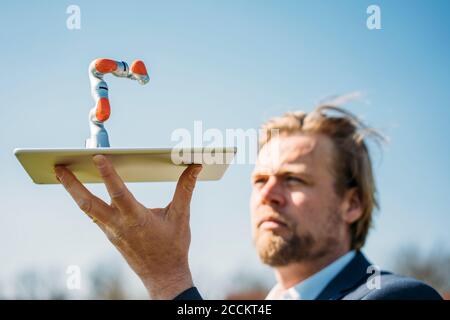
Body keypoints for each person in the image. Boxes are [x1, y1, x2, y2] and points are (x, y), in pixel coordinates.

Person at [54, 104, 443, 300]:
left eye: (293, 179)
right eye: (259, 179)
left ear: (352, 203)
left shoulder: (397, 297)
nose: (268, 194)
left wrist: (167, 279)